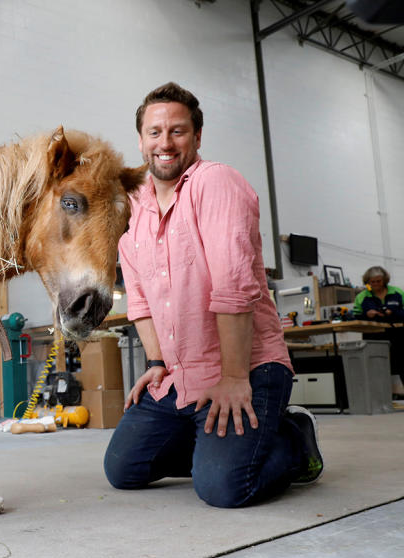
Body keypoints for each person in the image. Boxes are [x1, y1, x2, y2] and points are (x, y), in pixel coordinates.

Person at [103, 82, 323, 508]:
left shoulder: (217, 183)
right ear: (141, 140)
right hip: (181, 375)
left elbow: (234, 288)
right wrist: (155, 363)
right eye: (154, 132)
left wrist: (234, 377)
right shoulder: (133, 206)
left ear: (197, 137)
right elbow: (141, 299)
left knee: (224, 488)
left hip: (246, 367)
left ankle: (295, 443)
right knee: (125, 470)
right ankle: (216, 443)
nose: (165, 143)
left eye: (177, 131)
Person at [353, 265, 404, 395]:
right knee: (376, 367)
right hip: (373, 336)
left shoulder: (397, 292)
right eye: (372, 282)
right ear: (368, 282)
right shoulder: (362, 296)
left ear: (384, 280)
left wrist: (393, 312)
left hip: (398, 334)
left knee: (401, 364)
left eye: (378, 281)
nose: (376, 284)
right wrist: (367, 315)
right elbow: (355, 316)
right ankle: (379, 397)